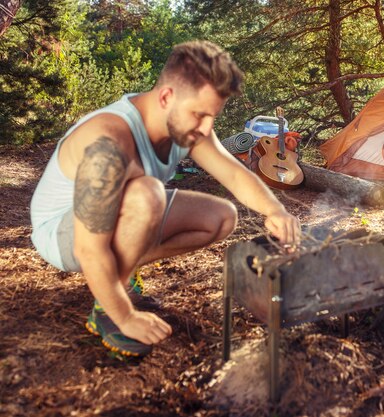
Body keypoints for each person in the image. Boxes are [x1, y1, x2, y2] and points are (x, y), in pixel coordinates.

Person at [30, 40, 301, 357]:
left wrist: (275, 210)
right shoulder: (109, 141)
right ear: (166, 96)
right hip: (63, 232)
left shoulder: (187, 123)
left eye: (212, 116)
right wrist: (125, 316)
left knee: (221, 217)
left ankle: (119, 278)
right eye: (199, 114)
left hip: (114, 217)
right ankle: (107, 311)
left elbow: (234, 173)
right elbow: (88, 248)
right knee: (148, 194)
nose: (205, 127)